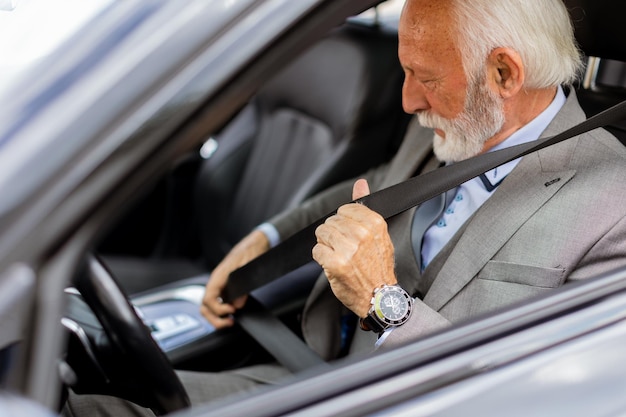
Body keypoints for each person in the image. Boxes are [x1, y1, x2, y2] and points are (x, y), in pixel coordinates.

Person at [62, 0, 626, 415]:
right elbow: (377, 187)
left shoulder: (612, 207)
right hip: (318, 376)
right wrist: (267, 242)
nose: (408, 100)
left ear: (504, 73)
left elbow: (536, 402)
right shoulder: (448, 125)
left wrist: (386, 305)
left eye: (424, 78)